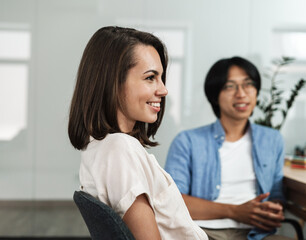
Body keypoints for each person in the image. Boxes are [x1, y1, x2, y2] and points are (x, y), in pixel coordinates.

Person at [68, 26, 208, 240]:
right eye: (150, 77)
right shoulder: (119, 149)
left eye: (161, 78)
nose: (163, 90)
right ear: (113, 82)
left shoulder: (100, 147)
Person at [165, 56, 290, 240]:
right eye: (230, 86)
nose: (241, 94)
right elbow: (172, 202)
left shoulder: (272, 140)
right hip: (202, 232)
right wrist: (234, 211)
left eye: (248, 84)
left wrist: (273, 209)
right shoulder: (187, 141)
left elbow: (276, 192)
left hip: (257, 234)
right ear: (215, 96)